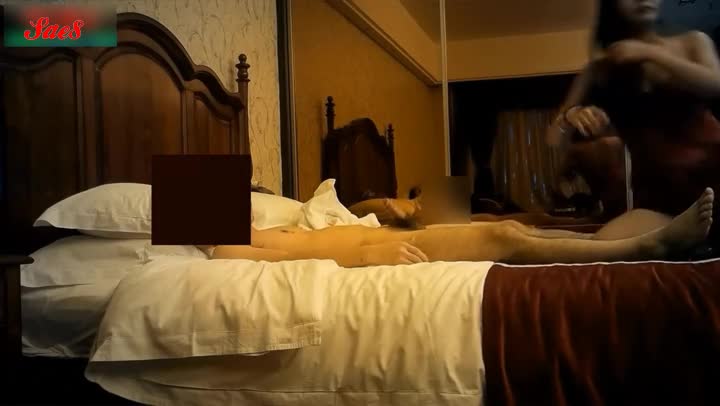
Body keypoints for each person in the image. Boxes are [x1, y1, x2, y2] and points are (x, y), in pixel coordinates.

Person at [546, 0, 720, 241]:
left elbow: (715, 84)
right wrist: (571, 116)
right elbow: (553, 138)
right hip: (661, 199)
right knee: (605, 243)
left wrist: (650, 53)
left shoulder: (693, 41)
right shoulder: (600, 69)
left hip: (714, 173)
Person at [209, 188, 714, 266]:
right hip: (386, 250)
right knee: (504, 236)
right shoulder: (229, 248)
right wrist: (367, 257)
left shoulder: (273, 218)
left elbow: (339, 214)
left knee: (515, 229)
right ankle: (649, 245)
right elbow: (276, 261)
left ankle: (621, 241)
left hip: (390, 235)